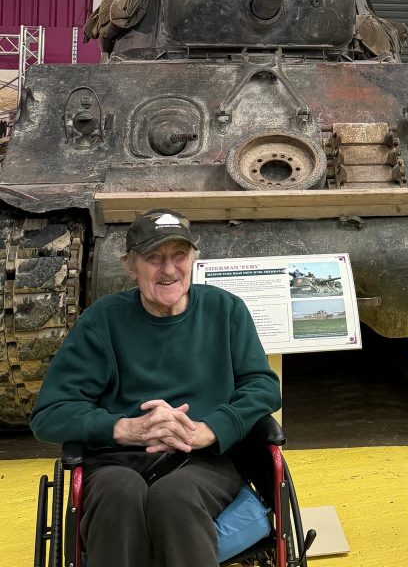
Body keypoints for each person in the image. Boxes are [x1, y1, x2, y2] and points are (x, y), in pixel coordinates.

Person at [31, 208, 281, 567]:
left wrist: (210, 429)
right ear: (131, 265)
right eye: (153, 258)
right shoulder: (102, 322)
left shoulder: (225, 311)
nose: (168, 269)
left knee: (175, 497)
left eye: (179, 255)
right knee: (118, 493)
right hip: (116, 462)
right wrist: (124, 428)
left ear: (193, 258)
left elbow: (262, 387)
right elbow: (50, 413)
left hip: (206, 462)